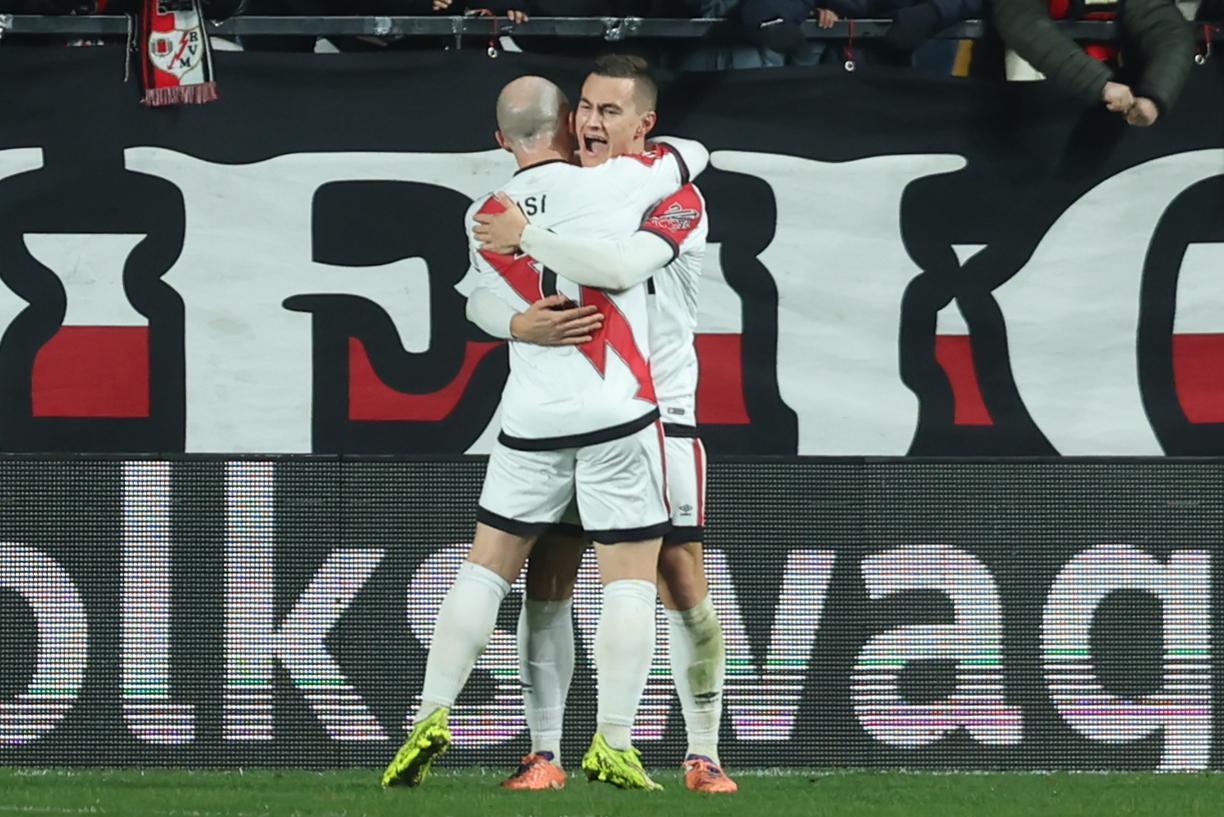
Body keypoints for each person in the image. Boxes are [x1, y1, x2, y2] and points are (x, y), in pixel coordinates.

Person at [381, 73, 706, 792]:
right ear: (567, 126)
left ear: (501, 140)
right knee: (627, 579)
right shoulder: (619, 182)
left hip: (528, 422)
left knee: (486, 570)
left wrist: (517, 322)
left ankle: (431, 713)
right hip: (616, 412)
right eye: (584, 112)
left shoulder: (484, 212)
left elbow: (474, 304)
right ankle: (615, 742)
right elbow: (690, 158)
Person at [465, 54, 737, 794]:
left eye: (609, 112)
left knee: (680, 578)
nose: (588, 121)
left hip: (662, 416)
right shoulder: (565, 192)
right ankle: (544, 749)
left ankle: (702, 749)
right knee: (548, 578)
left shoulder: (675, 198)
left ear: (645, 125)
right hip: (576, 420)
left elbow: (621, 265)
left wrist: (527, 236)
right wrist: (516, 319)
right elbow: (478, 289)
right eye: (584, 106)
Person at [991, 0, 1196, 126]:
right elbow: (1023, 26)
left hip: (1108, 115)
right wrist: (1097, 83)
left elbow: (1169, 31)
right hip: (1025, 114)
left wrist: (1155, 97)